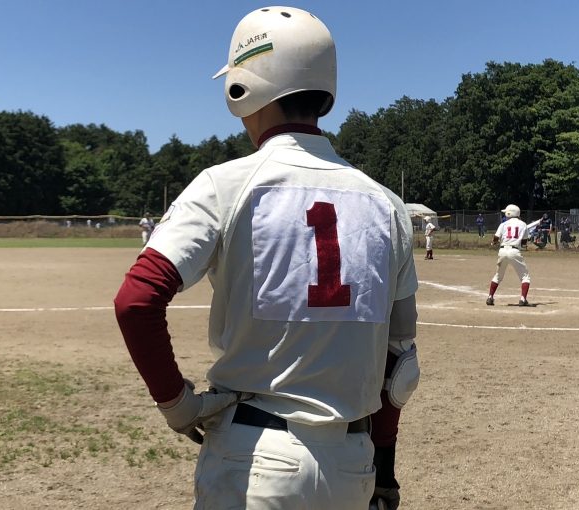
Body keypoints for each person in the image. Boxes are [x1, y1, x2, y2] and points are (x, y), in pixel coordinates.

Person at [114, 7, 419, 510]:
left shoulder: (225, 184)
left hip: (253, 458)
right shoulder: (386, 204)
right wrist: (384, 468)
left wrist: (176, 403)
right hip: (353, 462)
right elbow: (400, 360)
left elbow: (137, 299)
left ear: (243, 86)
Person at [486, 204, 531, 306]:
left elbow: (496, 238)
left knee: (498, 276)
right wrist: (518, 241)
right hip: (514, 251)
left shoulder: (504, 224)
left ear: (509, 213)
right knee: (525, 277)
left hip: (502, 251)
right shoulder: (523, 224)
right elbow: (524, 242)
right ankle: (523, 299)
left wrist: (495, 242)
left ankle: (490, 297)